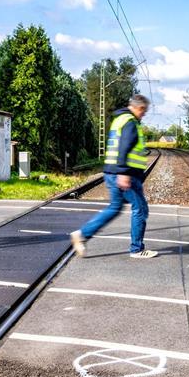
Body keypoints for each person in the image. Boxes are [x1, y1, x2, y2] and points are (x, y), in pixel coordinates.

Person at [70, 94, 156, 260]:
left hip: (112, 172)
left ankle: (81, 234)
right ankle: (137, 249)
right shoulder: (130, 122)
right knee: (140, 209)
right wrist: (123, 173)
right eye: (143, 111)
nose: (143, 115)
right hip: (125, 175)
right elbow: (124, 147)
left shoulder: (119, 120)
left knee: (115, 208)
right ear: (139, 108)